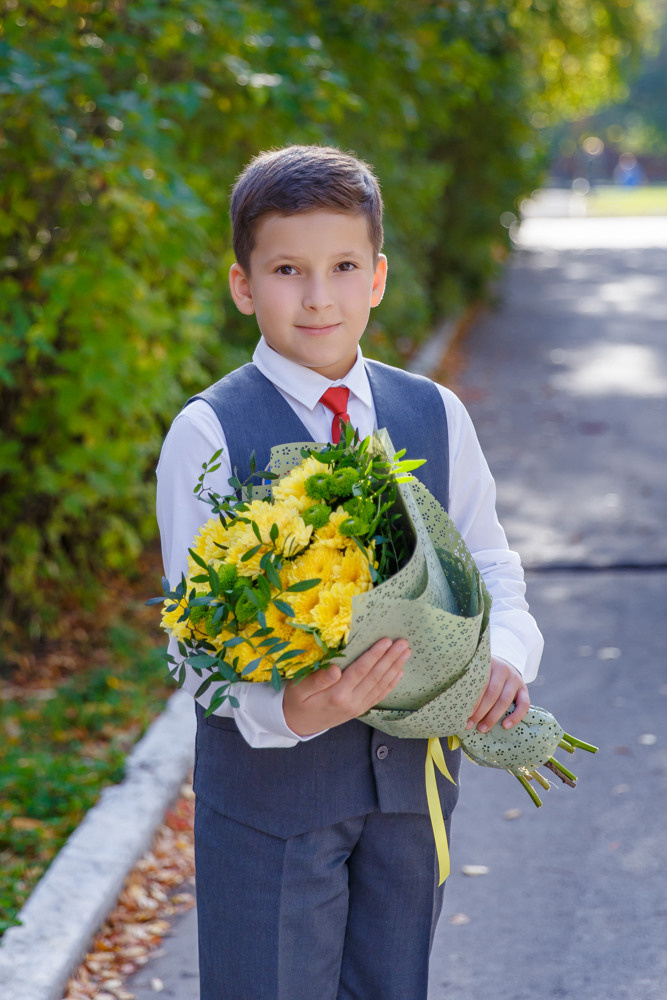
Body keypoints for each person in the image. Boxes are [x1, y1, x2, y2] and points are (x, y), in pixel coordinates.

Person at [156, 144, 543, 1000]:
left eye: (340, 267)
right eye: (288, 269)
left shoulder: (431, 414)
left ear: (376, 277)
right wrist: (291, 707)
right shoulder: (209, 434)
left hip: (410, 801)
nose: (318, 295)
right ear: (243, 285)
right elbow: (192, 649)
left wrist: (506, 654)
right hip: (269, 808)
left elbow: (488, 561)